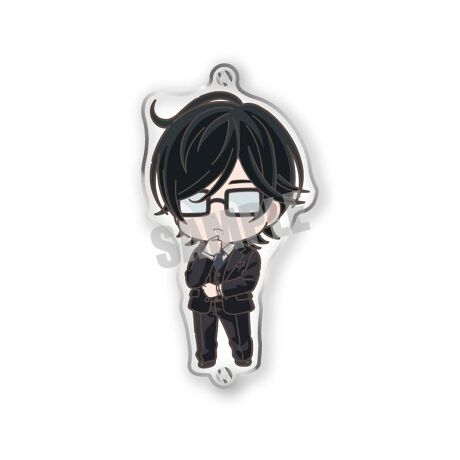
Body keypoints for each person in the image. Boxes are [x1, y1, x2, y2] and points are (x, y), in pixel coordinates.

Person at [149, 91, 306, 368]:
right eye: (195, 201)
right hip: (202, 307)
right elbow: (191, 279)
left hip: (235, 307)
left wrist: (219, 289)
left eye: (241, 200)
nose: (217, 214)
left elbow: (248, 281)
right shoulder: (200, 252)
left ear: (272, 209)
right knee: (204, 342)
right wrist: (207, 255)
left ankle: (243, 361)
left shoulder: (248, 254)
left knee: (240, 339)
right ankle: (205, 361)